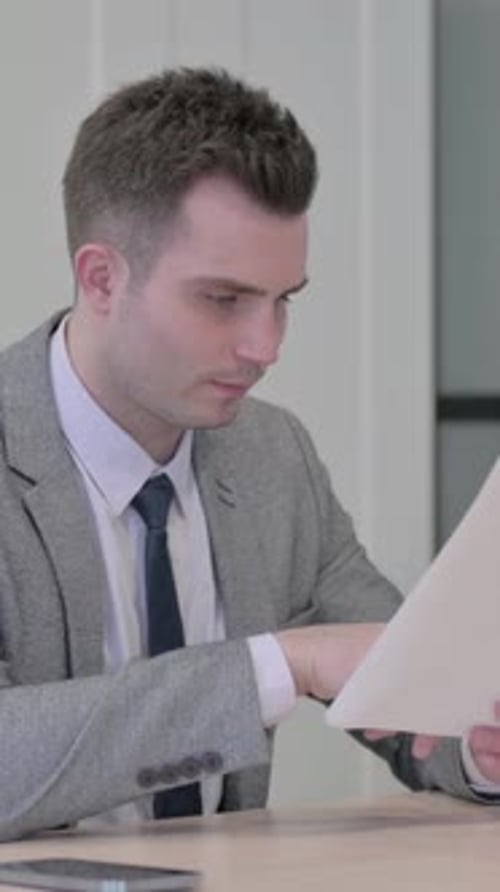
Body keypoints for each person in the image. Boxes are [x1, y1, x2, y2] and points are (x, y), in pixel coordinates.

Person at [0, 67, 497, 843]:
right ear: (100, 278)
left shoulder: (273, 454)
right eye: (223, 300)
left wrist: (478, 748)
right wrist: (277, 667)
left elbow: (397, 682)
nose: (264, 348)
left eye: (284, 300)